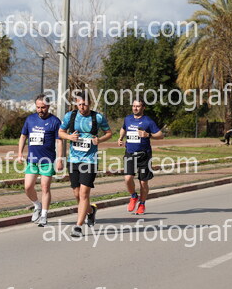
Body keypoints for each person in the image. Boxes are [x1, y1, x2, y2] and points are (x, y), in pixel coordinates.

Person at [58, 93, 112, 237]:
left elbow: (109, 133)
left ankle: (78, 226)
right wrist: (69, 137)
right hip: (73, 160)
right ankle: (91, 211)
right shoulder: (70, 116)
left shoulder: (97, 117)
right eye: (80, 104)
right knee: (76, 193)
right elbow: (61, 132)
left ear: (90, 103)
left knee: (84, 193)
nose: (82, 107)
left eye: (85, 104)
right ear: (76, 104)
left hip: (90, 160)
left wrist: (99, 140)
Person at [18, 94, 63, 227]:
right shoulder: (30, 119)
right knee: (28, 187)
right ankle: (37, 205)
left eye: (43, 107)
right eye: (38, 107)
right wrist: (19, 153)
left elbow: (59, 141)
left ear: (48, 106)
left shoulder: (55, 121)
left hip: (47, 161)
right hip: (32, 160)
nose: (40, 110)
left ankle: (44, 215)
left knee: (45, 187)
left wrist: (60, 159)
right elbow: (23, 136)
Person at [118, 100, 164, 215]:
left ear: (143, 108)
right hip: (130, 153)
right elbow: (124, 128)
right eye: (134, 106)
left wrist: (148, 135)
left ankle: (142, 204)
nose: (135, 108)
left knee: (143, 182)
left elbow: (160, 135)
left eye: (138, 106)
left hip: (144, 155)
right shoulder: (128, 119)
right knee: (128, 178)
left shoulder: (148, 121)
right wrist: (120, 138)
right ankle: (133, 196)